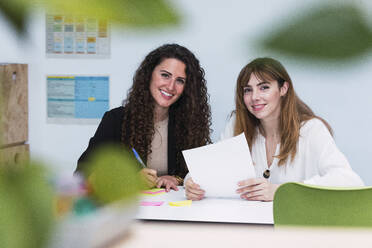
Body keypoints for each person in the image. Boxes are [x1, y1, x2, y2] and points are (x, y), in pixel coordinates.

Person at [185, 57, 364, 201]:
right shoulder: (237, 124)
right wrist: (191, 183)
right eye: (247, 90)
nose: (255, 97)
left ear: (283, 88)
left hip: (295, 230)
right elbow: (206, 169)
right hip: (247, 228)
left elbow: (349, 181)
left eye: (264, 87)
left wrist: (280, 191)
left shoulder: (311, 129)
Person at [76, 44, 212, 192]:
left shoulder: (189, 124)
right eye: (165, 75)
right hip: (127, 211)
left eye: (180, 80)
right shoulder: (116, 120)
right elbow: (82, 176)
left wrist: (177, 179)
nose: (171, 86)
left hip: (173, 212)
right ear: (149, 75)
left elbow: (201, 175)